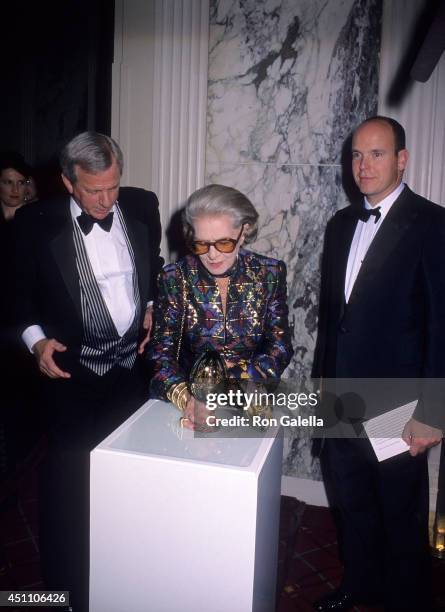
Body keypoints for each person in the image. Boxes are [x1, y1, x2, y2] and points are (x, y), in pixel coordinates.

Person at [14, 132, 163, 611]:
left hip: (128, 370)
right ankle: (67, 591)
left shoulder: (142, 207)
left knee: (128, 481)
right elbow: (14, 295)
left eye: (113, 187)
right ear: (67, 182)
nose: (105, 200)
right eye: (94, 190)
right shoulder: (33, 223)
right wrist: (35, 341)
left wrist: (153, 305)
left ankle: (125, 574)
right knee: (69, 488)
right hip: (71, 375)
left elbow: (153, 265)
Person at [312, 116, 444, 612]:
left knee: (399, 513)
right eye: (357, 155)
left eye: (377, 154)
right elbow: (336, 322)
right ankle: (358, 586)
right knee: (351, 504)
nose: (364, 166)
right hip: (341, 399)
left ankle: (407, 601)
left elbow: (442, 325)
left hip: (398, 403)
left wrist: (433, 410)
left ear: (402, 159)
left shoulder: (433, 224)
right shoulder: (340, 224)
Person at [148, 183, 293, 428]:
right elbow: (160, 354)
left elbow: (280, 347)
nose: (212, 255)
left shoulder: (269, 273)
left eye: (224, 243)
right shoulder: (174, 278)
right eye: (201, 244)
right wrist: (190, 399)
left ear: (244, 231)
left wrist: (227, 382)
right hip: (188, 407)